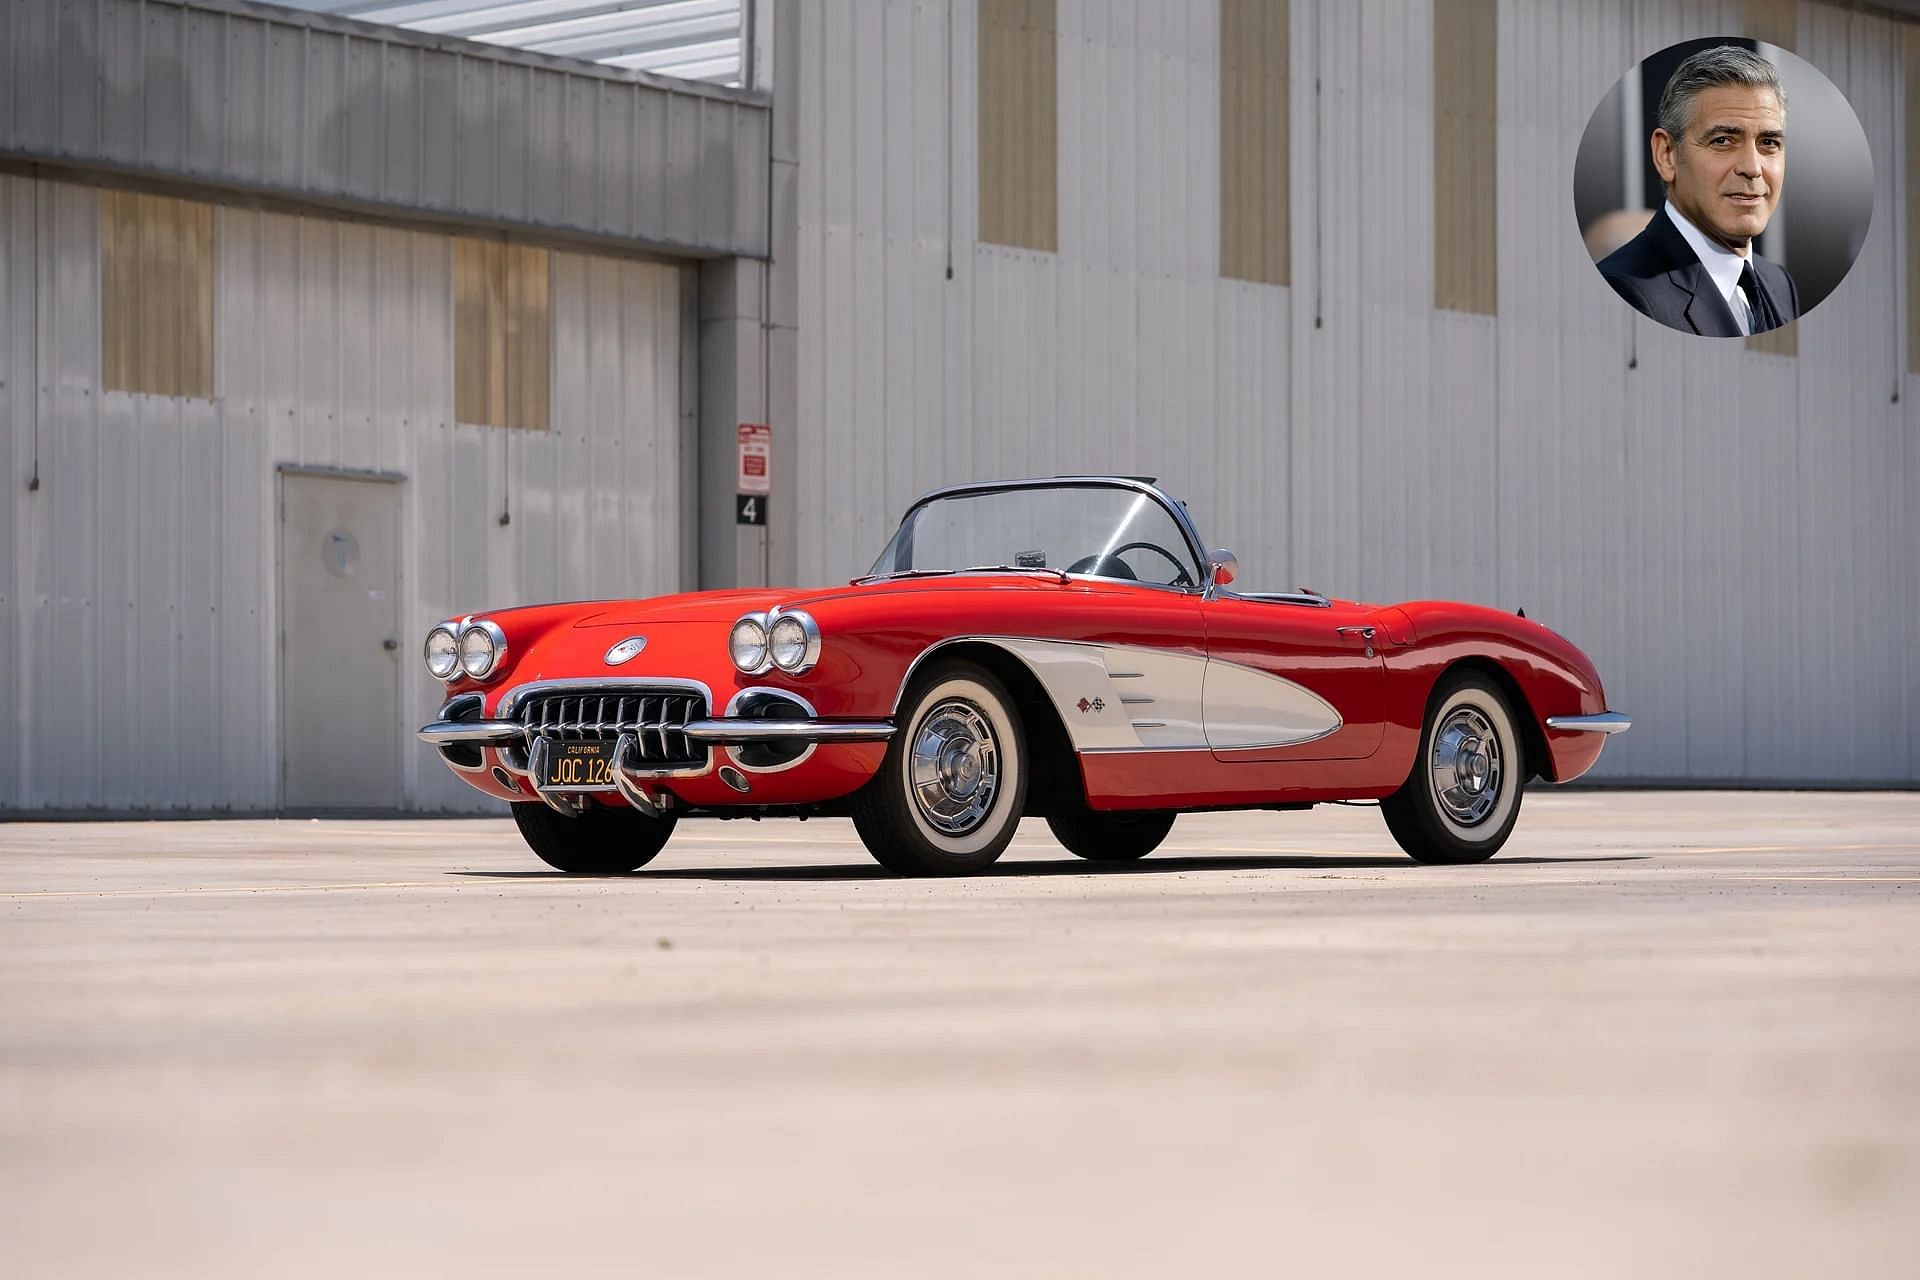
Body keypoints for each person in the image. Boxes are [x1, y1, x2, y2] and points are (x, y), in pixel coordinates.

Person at [1598, 45, 1799, 336]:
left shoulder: (1779, 282)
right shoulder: (1625, 291)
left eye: (1768, 143)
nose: (1752, 167)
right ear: (1666, 154)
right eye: (1722, 141)